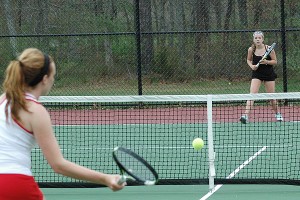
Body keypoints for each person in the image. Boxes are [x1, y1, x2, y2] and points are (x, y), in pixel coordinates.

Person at [0, 48, 125, 199]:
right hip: (14, 183)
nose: (53, 80)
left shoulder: (3, 99)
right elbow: (58, 165)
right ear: (45, 79)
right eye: (53, 76)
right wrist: (105, 178)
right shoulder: (36, 111)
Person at [240, 31, 283, 124]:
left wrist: (266, 62)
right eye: (256, 38)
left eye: (259, 38)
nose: (258, 39)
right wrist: (252, 66)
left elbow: (275, 61)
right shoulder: (251, 49)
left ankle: (277, 114)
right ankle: (245, 115)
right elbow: (248, 60)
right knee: (252, 95)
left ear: (262, 39)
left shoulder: (268, 49)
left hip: (269, 74)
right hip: (257, 74)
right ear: (253, 40)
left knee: (271, 97)